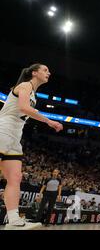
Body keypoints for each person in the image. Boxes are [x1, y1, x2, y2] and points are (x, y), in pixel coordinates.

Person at [0, 64, 63, 229]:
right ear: (34, 73)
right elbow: (23, 108)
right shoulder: (25, 85)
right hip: (3, 130)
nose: (49, 72)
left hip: (15, 136)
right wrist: (49, 121)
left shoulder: (34, 92)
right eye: (45, 70)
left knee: (15, 178)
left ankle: (13, 220)